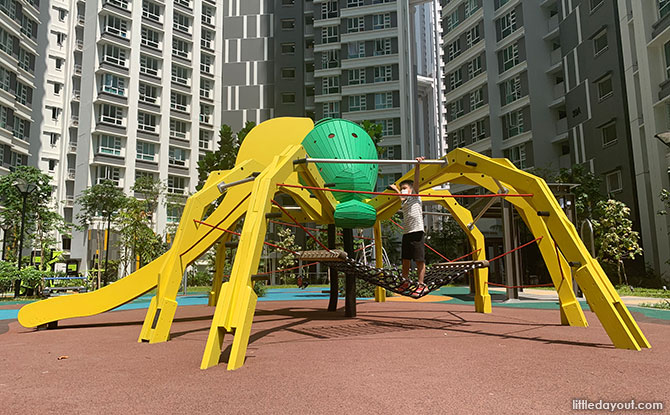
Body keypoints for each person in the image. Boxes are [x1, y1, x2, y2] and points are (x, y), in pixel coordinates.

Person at [389, 157, 427, 298]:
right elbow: (401, 197)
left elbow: (416, 180)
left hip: (417, 232)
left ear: (411, 190)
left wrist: (417, 165)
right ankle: (405, 282)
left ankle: (421, 284)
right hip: (407, 233)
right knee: (405, 260)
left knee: (419, 260)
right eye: (402, 189)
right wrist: (396, 189)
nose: (403, 191)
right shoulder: (404, 202)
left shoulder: (415, 196)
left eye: (405, 188)